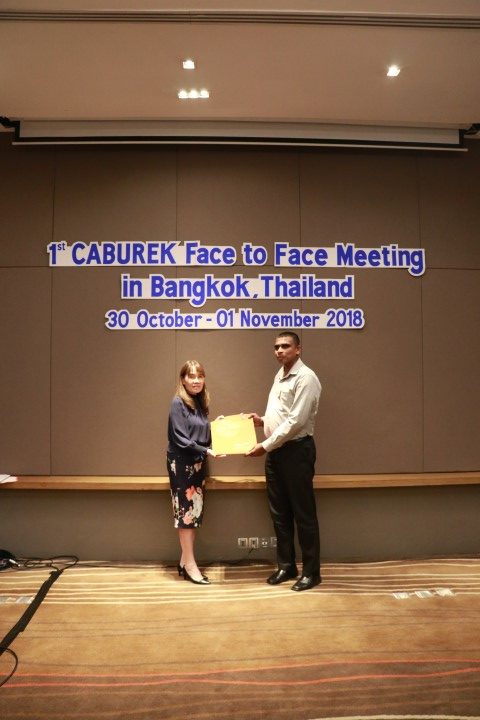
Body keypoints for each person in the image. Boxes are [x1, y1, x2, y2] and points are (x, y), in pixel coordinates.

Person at [246, 331, 322, 591]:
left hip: (296, 452)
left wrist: (265, 445)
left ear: (298, 349)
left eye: (285, 346)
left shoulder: (306, 378)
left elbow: (296, 421)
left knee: (303, 514)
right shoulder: (279, 375)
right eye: (276, 347)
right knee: (279, 514)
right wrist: (262, 422)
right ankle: (286, 566)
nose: (279, 350)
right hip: (276, 453)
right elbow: (280, 415)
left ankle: (311, 573)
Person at [167, 360, 215, 586]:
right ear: (183, 380)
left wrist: (216, 427)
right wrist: (206, 450)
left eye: (200, 376)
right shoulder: (178, 402)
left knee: (193, 513)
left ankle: (184, 560)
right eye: (191, 376)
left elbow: (201, 433)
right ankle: (190, 565)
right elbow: (180, 438)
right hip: (182, 464)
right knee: (186, 515)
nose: (196, 381)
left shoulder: (200, 401)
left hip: (197, 464)